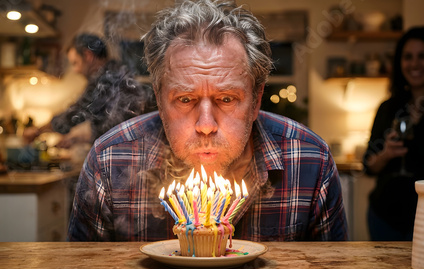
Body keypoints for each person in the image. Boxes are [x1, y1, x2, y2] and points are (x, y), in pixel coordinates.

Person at [68, 0, 347, 242]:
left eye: (226, 99)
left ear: (256, 99)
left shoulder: (311, 160)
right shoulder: (110, 160)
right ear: (159, 98)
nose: (205, 125)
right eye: (185, 99)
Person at [363, 26, 424, 241]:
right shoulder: (388, 107)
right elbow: (368, 165)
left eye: (423, 56)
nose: (414, 64)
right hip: (384, 218)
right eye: (407, 57)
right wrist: (385, 154)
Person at [23, 33, 153, 148]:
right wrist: (75, 138)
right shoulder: (114, 72)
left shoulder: (107, 78)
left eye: (75, 63)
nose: (75, 70)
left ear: (88, 55)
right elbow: (105, 124)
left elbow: (75, 113)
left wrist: (37, 131)